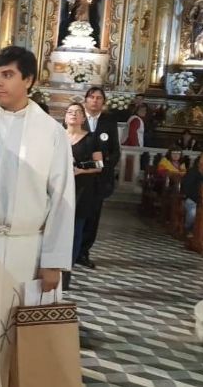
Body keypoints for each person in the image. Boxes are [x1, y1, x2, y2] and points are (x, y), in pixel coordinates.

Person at [0, 46, 74, 385]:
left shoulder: (51, 133)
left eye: (7, 75)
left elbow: (63, 199)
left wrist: (52, 260)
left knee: (13, 332)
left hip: (27, 248)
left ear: (29, 80)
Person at [79, 86, 120, 269]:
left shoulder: (109, 122)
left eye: (99, 98)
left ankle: (84, 252)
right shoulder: (76, 117)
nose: (95, 101)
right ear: (86, 100)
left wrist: (104, 168)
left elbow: (115, 150)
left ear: (103, 102)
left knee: (92, 216)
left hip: (99, 179)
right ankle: (70, 251)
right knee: (75, 215)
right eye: (92, 97)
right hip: (78, 177)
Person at [62, 102, 101, 291]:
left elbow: (100, 165)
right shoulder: (57, 136)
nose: (73, 115)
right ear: (65, 116)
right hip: (59, 190)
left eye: (77, 112)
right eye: (70, 112)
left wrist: (80, 170)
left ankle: (66, 271)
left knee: (75, 231)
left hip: (81, 191)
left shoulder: (91, 139)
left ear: (83, 118)